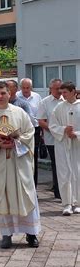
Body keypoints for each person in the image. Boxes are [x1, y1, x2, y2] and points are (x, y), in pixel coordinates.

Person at [0, 81, 40, 249]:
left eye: (3, 93)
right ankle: (6, 234)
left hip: (19, 162)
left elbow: (29, 133)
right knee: (2, 197)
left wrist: (16, 143)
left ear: (9, 93)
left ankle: (31, 234)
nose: (0, 96)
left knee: (25, 195)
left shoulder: (19, 112)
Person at [49, 82, 80, 216]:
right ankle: (66, 203)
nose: (62, 95)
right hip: (62, 145)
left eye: (65, 92)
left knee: (78, 173)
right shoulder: (59, 108)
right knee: (64, 173)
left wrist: (77, 134)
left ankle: (78, 203)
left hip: (77, 145)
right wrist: (63, 130)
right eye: (61, 93)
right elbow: (52, 125)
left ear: (73, 91)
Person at [37, 78, 63, 200]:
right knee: (56, 164)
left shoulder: (66, 101)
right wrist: (55, 131)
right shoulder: (45, 102)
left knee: (67, 165)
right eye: (56, 88)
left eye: (60, 88)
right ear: (50, 89)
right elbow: (41, 121)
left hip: (67, 139)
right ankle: (58, 191)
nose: (59, 91)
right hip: (52, 139)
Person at [17, 78, 42, 186]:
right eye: (24, 88)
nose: (26, 90)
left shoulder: (37, 97)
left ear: (31, 88)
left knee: (33, 157)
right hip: (20, 131)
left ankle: (34, 186)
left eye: (28, 88)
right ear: (20, 87)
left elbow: (41, 113)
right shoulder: (17, 97)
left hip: (35, 129)